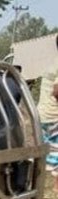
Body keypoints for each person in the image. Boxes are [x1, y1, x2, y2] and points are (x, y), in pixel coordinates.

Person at [37, 46, 58, 191]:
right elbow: (57, 91)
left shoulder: (53, 62)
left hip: (43, 114)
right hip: (54, 115)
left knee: (48, 149)